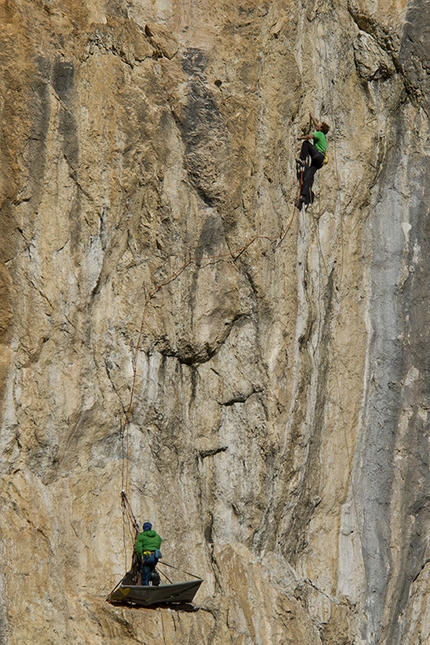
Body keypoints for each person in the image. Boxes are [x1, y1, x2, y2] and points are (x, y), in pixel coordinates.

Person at [296, 112, 330, 210]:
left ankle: (302, 160)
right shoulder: (322, 135)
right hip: (320, 161)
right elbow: (317, 125)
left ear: (321, 129)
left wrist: (300, 138)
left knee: (306, 143)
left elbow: (309, 137)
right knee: (309, 175)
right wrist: (312, 117)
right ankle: (303, 196)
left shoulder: (319, 133)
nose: (317, 125)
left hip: (317, 155)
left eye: (319, 125)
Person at [135, 521, 162, 586]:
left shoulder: (141, 536)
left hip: (147, 557)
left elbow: (138, 549)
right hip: (155, 556)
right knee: (151, 571)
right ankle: (155, 579)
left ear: (144, 528)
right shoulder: (157, 536)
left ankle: (147, 590)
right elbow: (159, 542)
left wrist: (140, 558)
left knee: (145, 577)